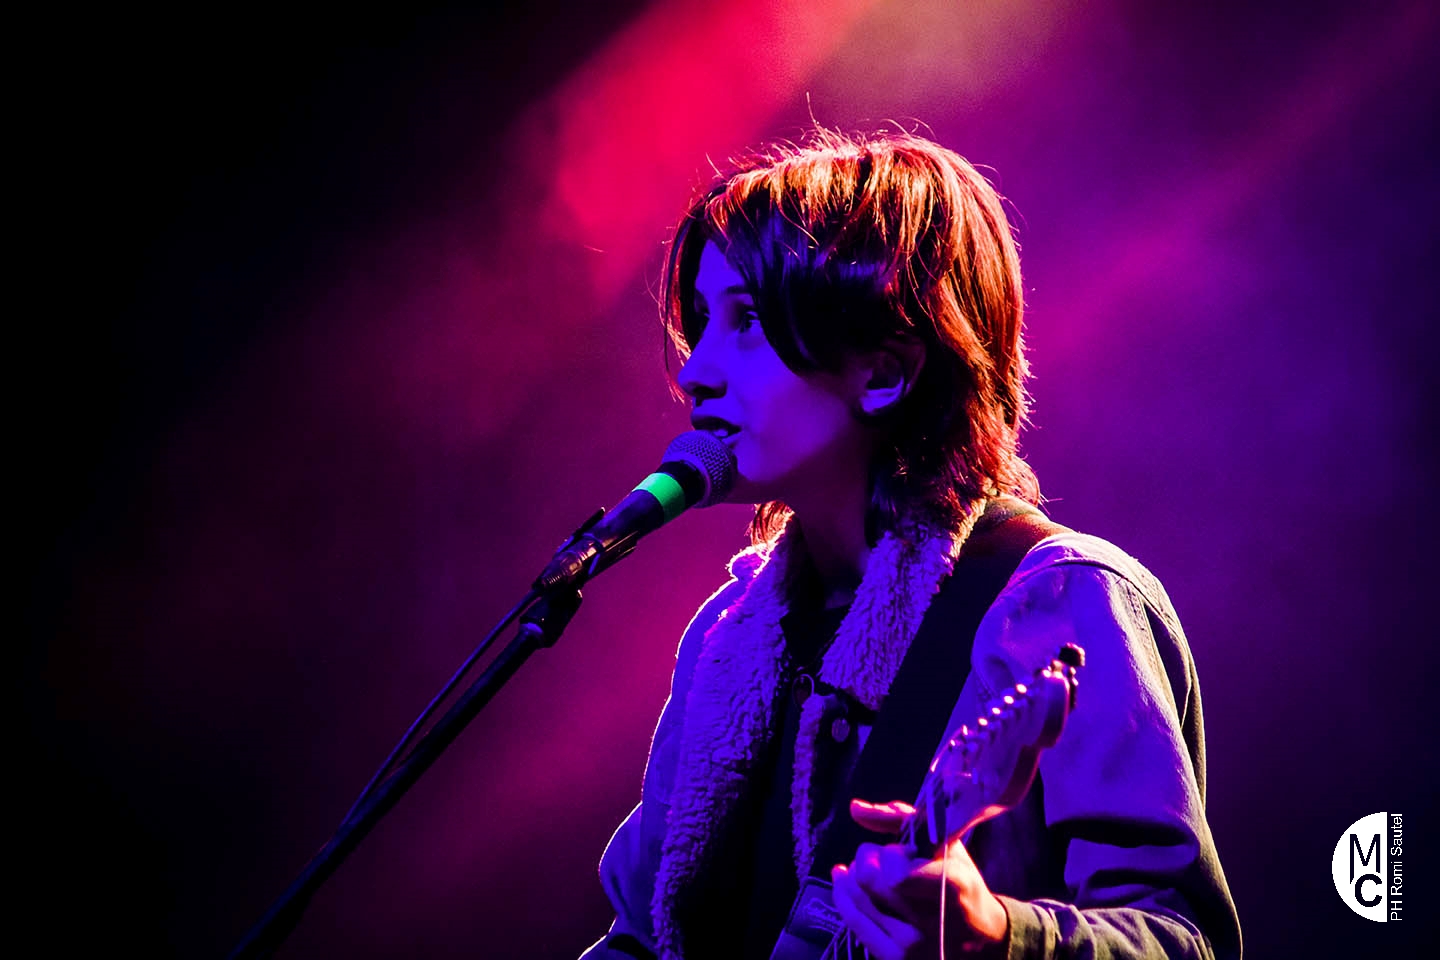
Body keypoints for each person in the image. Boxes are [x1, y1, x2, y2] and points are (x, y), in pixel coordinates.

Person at [580, 129, 1241, 960]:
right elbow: (641, 937)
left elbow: (1182, 938)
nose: (696, 372)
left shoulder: (1060, 604)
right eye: (703, 322)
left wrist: (1000, 935)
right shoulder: (724, 636)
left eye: (746, 321)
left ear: (886, 371)